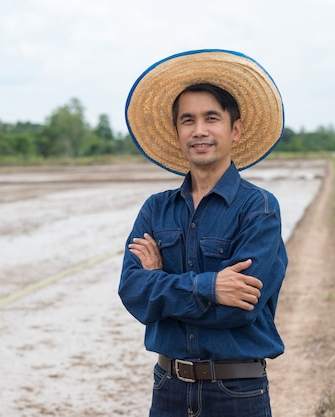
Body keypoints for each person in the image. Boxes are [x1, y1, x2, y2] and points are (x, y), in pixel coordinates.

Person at [118, 49, 288, 417]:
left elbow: (242, 309)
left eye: (211, 118)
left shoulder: (258, 208)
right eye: (188, 120)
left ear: (235, 129)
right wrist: (209, 287)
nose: (199, 130)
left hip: (237, 392)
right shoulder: (155, 209)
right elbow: (132, 292)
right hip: (168, 388)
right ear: (177, 131)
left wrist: (161, 282)